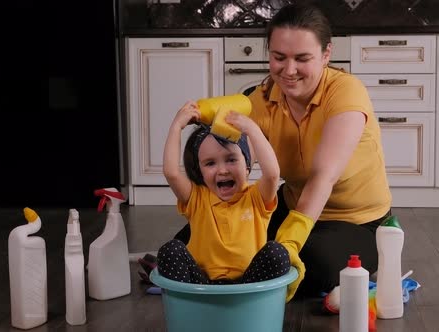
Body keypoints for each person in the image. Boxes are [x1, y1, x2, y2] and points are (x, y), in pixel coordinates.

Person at [247, 3, 393, 298]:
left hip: (357, 222)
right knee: (198, 239)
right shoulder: (262, 98)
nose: (289, 71)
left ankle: (244, 274)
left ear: (326, 54)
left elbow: (322, 177)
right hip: (294, 207)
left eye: (302, 58)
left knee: (313, 261)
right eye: (279, 58)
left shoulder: (345, 92)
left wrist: (290, 242)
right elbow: (234, 162)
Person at [157, 101, 290, 286]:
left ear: (247, 166)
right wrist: (177, 126)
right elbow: (171, 172)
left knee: (278, 252)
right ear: (200, 171)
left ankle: (249, 308)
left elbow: (273, 174)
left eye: (231, 159)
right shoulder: (197, 198)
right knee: (170, 250)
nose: (223, 170)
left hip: (248, 285)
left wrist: (253, 130)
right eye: (210, 163)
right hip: (203, 286)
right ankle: (192, 307)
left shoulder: (256, 198)